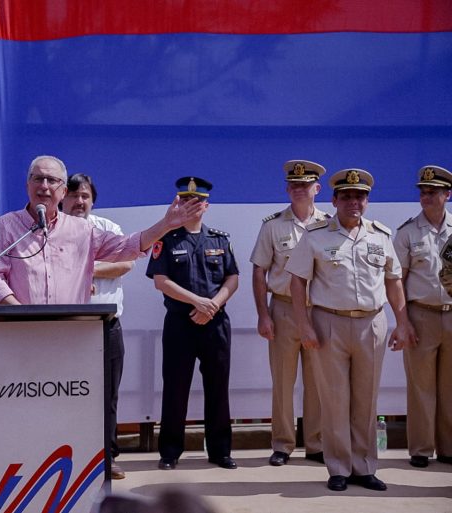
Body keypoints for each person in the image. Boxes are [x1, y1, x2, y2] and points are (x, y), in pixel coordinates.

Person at [286, 168, 415, 492]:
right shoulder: (315, 236)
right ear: (334, 199)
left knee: (366, 399)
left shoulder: (380, 236)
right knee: (334, 398)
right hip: (330, 322)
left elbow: (394, 280)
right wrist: (304, 325)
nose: (353, 202)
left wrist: (402, 322)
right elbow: (297, 282)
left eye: (359, 196)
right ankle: (339, 468)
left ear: (367, 201)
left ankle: (365, 466)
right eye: (346, 196)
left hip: (371, 323)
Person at [0, 155, 204, 306]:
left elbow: (127, 247)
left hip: (71, 334)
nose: (44, 186)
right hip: (19, 334)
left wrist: (165, 224)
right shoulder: (7, 226)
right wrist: (21, 314)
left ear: (63, 191)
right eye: (38, 179)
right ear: (27, 185)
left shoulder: (81, 229)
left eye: (52, 180)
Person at [145, 177, 239, 471]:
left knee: (218, 387)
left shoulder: (220, 239)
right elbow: (161, 281)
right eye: (186, 201)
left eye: (197, 201)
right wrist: (197, 302)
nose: (191, 206)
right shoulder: (166, 239)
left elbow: (232, 277)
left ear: (206, 206)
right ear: (178, 204)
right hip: (180, 323)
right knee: (175, 387)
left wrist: (214, 304)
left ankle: (220, 451)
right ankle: (170, 452)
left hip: (215, 323)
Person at [249, 160, 329, 466]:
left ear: (317, 189)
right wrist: (263, 315)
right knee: (283, 382)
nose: (299, 190)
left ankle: (316, 443)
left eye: (305, 185)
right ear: (287, 189)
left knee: (318, 381)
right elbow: (259, 272)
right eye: (294, 185)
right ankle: (282, 444)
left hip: (317, 311)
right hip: (282, 309)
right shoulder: (272, 225)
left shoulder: (329, 224)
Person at [62, 173, 134, 480]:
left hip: (107, 326)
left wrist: (86, 271)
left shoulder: (108, 229)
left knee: (107, 396)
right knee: (66, 395)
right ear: (62, 198)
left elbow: (126, 262)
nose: (79, 202)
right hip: (67, 329)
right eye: (74, 196)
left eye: (85, 197)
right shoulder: (51, 232)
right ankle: (66, 456)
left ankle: (107, 457)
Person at [394, 165, 452, 468]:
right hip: (422, 315)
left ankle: (448, 448)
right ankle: (420, 448)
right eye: (422, 192)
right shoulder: (407, 233)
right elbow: (396, 281)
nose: (425, 197)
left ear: (447, 194)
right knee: (421, 386)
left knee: (450, 387)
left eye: (432, 192)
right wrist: (403, 322)